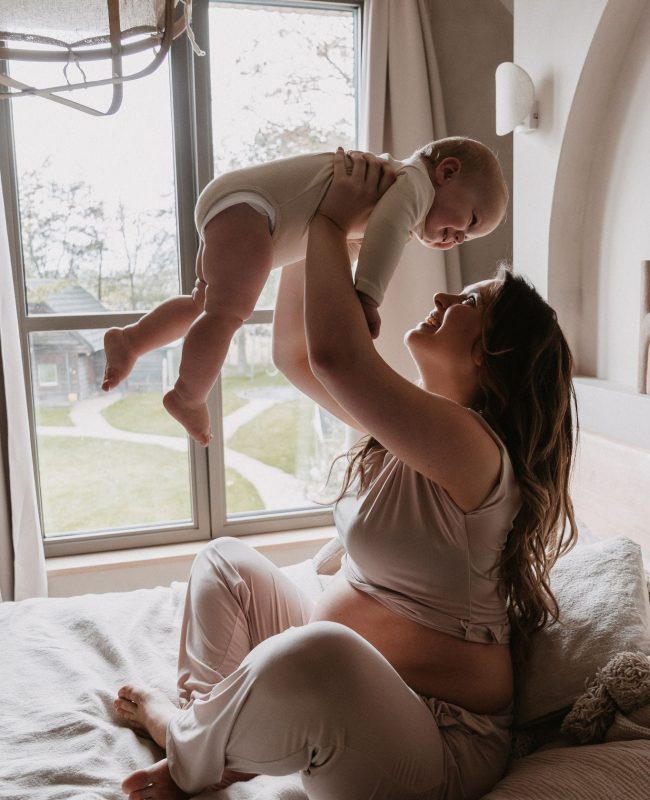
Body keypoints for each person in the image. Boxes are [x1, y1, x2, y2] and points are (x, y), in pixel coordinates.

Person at [114, 150, 578, 800]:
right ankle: (212, 735)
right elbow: (297, 355)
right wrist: (313, 222)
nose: (444, 295)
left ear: (494, 351)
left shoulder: (477, 452)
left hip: (434, 739)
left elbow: (337, 356)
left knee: (322, 653)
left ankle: (187, 741)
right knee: (226, 563)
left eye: (470, 300)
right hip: (359, 695)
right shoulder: (412, 434)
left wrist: (333, 222)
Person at [101, 137, 508, 446]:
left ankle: (132, 339)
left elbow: (342, 246)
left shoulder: (395, 191)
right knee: (226, 313)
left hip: (244, 207)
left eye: (469, 237)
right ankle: (189, 395)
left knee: (204, 302)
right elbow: (386, 231)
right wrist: (367, 296)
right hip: (256, 209)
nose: (459, 238)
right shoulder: (414, 187)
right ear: (447, 172)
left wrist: (335, 227)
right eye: (471, 220)